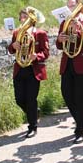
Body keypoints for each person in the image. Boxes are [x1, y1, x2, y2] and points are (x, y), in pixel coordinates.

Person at [56, 0, 83, 144]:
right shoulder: (64, 22)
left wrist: (79, 31)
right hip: (67, 63)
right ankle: (81, 118)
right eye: (68, 6)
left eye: (72, 6)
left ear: (80, 6)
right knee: (66, 94)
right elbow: (59, 45)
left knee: (80, 98)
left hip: (82, 64)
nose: (70, 8)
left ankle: (79, 130)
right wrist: (60, 40)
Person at [8, 8, 49, 138]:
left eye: (26, 17)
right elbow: (11, 49)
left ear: (33, 19)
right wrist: (13, 46)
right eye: (22, 17)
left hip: (33, 70)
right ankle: (34, 113)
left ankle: (32, 126)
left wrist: (37, 56)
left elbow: (46, 52)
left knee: (31, 99)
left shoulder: (40, 33)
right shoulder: (16, 33)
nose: (23, 19)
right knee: (19, 99)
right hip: (20, 69)